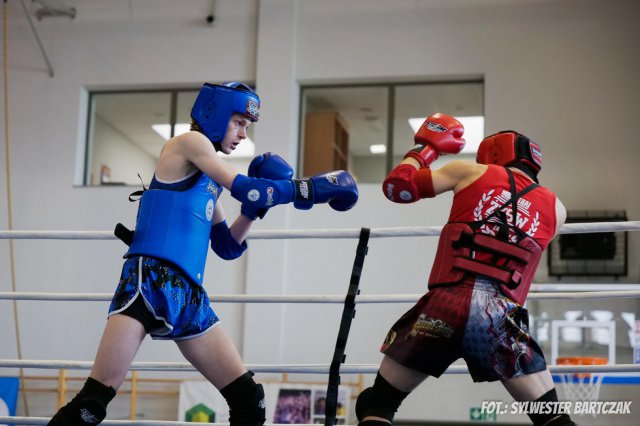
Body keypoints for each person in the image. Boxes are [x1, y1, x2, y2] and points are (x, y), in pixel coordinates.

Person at [48, 82, 358, 426]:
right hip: (149, 281)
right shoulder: (188, 144)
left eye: (247, 126)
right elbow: (250, 189)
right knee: (93, 402)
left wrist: (254, 213)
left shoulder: (207, 182)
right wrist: (315, 188)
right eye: (239, 122)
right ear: (216, 114)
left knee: (248, 398)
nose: (243, 133)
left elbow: (228, 246)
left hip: (189, 296)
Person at [356, 113, 575, 426]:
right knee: (551, 418)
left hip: (445, 306)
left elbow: (398, 188)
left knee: (377, 402)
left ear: (493, 154)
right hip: (500, 318)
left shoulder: (468, 170)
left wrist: (425, 149)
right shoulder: (558, 209)